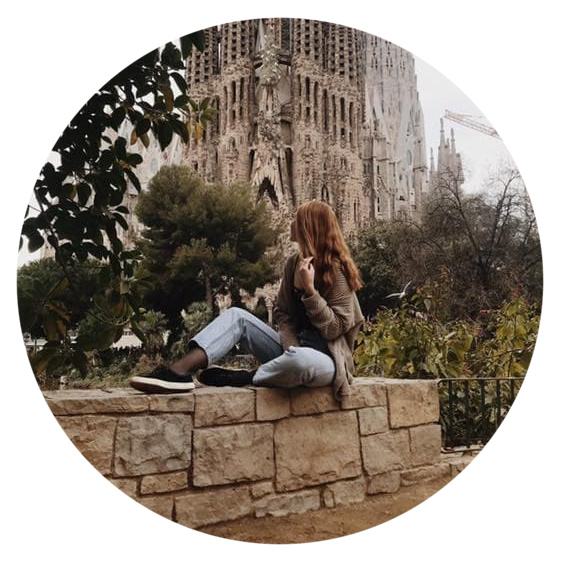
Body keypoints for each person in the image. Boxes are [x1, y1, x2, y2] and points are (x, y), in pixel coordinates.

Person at [129, 200, 364, 401]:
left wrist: (310, 291)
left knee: (301, 361)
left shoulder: (336, 271)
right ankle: (179, 372)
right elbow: (282, 313)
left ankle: (246, 377)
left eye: (296, 219)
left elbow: (334, 329)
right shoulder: (293, 264)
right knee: (236, 316)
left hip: (327, 361)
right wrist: (290, 346)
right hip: (291, 351)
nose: (290, 223)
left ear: (308, 227)